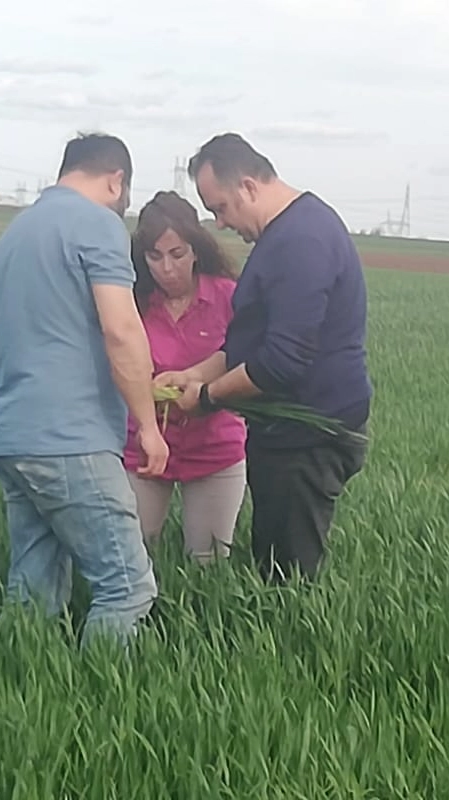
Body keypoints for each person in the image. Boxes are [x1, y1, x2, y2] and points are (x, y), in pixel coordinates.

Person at [0, 132, 168, 650]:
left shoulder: (15, 234)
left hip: (10, 435)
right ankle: (98, 693)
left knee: (33, 587)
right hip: (71, 439)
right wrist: (148, 426)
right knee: (127, 587)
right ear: (116, 180)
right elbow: (121, 330)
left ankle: (16, 682)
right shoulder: (98, 224)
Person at [160, 132, 372, 584]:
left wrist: (208, 398)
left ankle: (297, 632)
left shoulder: (301, 241)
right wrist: (194, 374)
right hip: (287, 433)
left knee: (288, 576)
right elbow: (252, 344)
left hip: (307, 436)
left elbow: (281, 361)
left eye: (221, 208)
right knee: (273, 560)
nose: (220, 224)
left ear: (249, 187)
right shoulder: (289, 233)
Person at [123, 190, 247, 564]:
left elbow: (245, 356)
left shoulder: (229, 296)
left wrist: (196, 382)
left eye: (177, 254)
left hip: (216, 446)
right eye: (154, 256)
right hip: (142, 446)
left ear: (196, 250)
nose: (167, 268)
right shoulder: (131, 301)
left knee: (208, 561)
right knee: (132, 555)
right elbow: (114, 361)